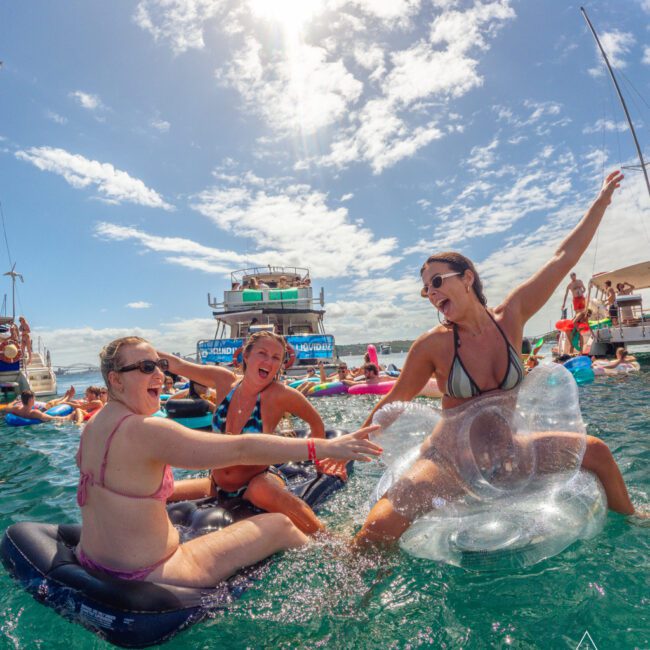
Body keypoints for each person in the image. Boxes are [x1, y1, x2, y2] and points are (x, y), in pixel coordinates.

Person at [355, 171, 642, 547]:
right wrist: (348, 444)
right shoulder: (432, 345)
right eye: (425, 288)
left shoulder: (512, 317)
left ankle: (634, 526)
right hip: (450, 461)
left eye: (437, 281)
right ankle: (348, 601)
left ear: (467, 278)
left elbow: (562, 257)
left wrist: (600, 203)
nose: (430, 293)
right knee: (378, 528)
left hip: (510, 453)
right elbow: (394, 402)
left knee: (598, 453)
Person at [75, 336, 380, 587]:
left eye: (158, 366)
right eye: (145, 367)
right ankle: (342, 580)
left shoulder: (93, 425)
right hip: (153, 569)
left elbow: (310, 422)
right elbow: (238, 448)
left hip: (93, 558)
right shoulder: (153, 427)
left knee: (270, 500)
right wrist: (328, 446)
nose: (159, 375)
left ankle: (333, 544)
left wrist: (324, 455)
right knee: (280, 527)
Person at [160, 331, 355, 533]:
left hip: (256, 482)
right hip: (215, 483)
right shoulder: (224, 381)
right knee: (158, 491)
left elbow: (316, 422)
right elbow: (178, 365)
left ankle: (331, 541)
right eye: (262, 353)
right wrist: (137, 354)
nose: (269, 362)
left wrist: (321, 461)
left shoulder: (280, 394)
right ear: (246, 355)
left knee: (264, 492)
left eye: (276, 358)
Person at [9, 390, 79, 423]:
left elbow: (7, 408)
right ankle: (66, 397)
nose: (35, 400)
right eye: (34, 398)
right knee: (50, 404)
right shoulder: (34, 413)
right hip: (42, 412)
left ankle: (65, 397)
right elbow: (52, 418)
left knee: (50, 403)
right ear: (30, 400)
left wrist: (14, 402)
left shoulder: (17, 409)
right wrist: (69, 417)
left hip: (34, 410)